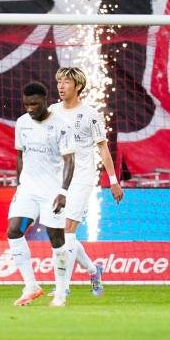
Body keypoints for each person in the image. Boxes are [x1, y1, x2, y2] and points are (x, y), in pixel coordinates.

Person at [50, 67, 124, 304]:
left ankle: (62, 287)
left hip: (82, 177)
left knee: (67, 231)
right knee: (60, 233)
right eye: (59, 81)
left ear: (78, 86)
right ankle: (93, 271)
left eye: (66, 82)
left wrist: (113, 181)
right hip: (58, 179)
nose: (61, 86)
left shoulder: (90, 114)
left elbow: (102, 147)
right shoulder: (51, 111)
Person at [7, 82, 75, 307]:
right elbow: (19, 154)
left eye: (35, 104)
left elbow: (69, 160)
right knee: (13, 230)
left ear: (46, 100)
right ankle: (31, 286)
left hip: (52, 192)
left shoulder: (61, 125)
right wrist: (19, 183)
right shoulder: (22, 123)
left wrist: (63, 191)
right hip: (27, 189)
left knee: (56, 240)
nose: (30, 108)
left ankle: (61, 292)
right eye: (26, 104)